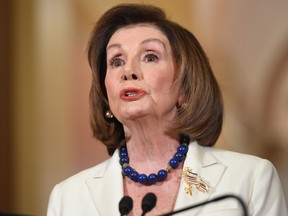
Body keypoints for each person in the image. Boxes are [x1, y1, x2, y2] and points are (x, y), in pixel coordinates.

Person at [47, 4, 287, 216]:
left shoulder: (251, 178)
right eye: (116, 61)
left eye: (150, 57)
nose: (128, 71)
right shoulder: (68, 197)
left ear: (185, 88)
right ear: (106, 95)